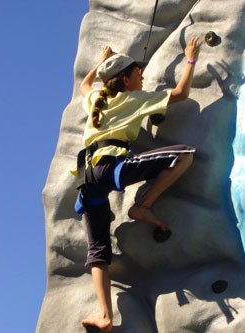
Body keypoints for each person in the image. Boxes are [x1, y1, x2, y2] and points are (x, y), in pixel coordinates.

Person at [76, 38, 202, 332]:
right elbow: (181, 93)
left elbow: (85, 85)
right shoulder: (135, 100)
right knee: (184, 155)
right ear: (124, 78)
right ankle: (142, 206)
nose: (142, 76)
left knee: (98, 252)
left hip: (87, 178)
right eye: (137, 73)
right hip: (110, 168)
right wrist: (191, 59)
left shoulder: (97, 99)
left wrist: (101, 62)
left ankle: (105, 316)